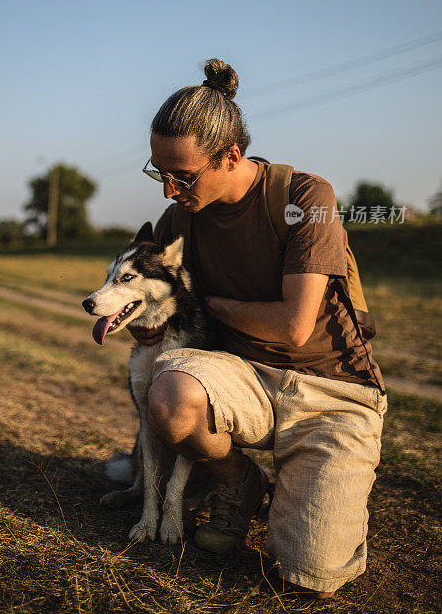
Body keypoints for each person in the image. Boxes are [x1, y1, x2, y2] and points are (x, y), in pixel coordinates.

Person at [128, 58, 387, 600]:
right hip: (243, 376)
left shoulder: (305, 199)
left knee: (310, 578)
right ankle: (234, 479)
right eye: (159, 173)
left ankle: (306, 482)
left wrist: (204, 303)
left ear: (231, 156)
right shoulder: (182, 219)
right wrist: (145, 321)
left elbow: (294, 327)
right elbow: (158, 303)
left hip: (332, 392)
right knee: (170, 390)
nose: (169, 190)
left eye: (182, 176)